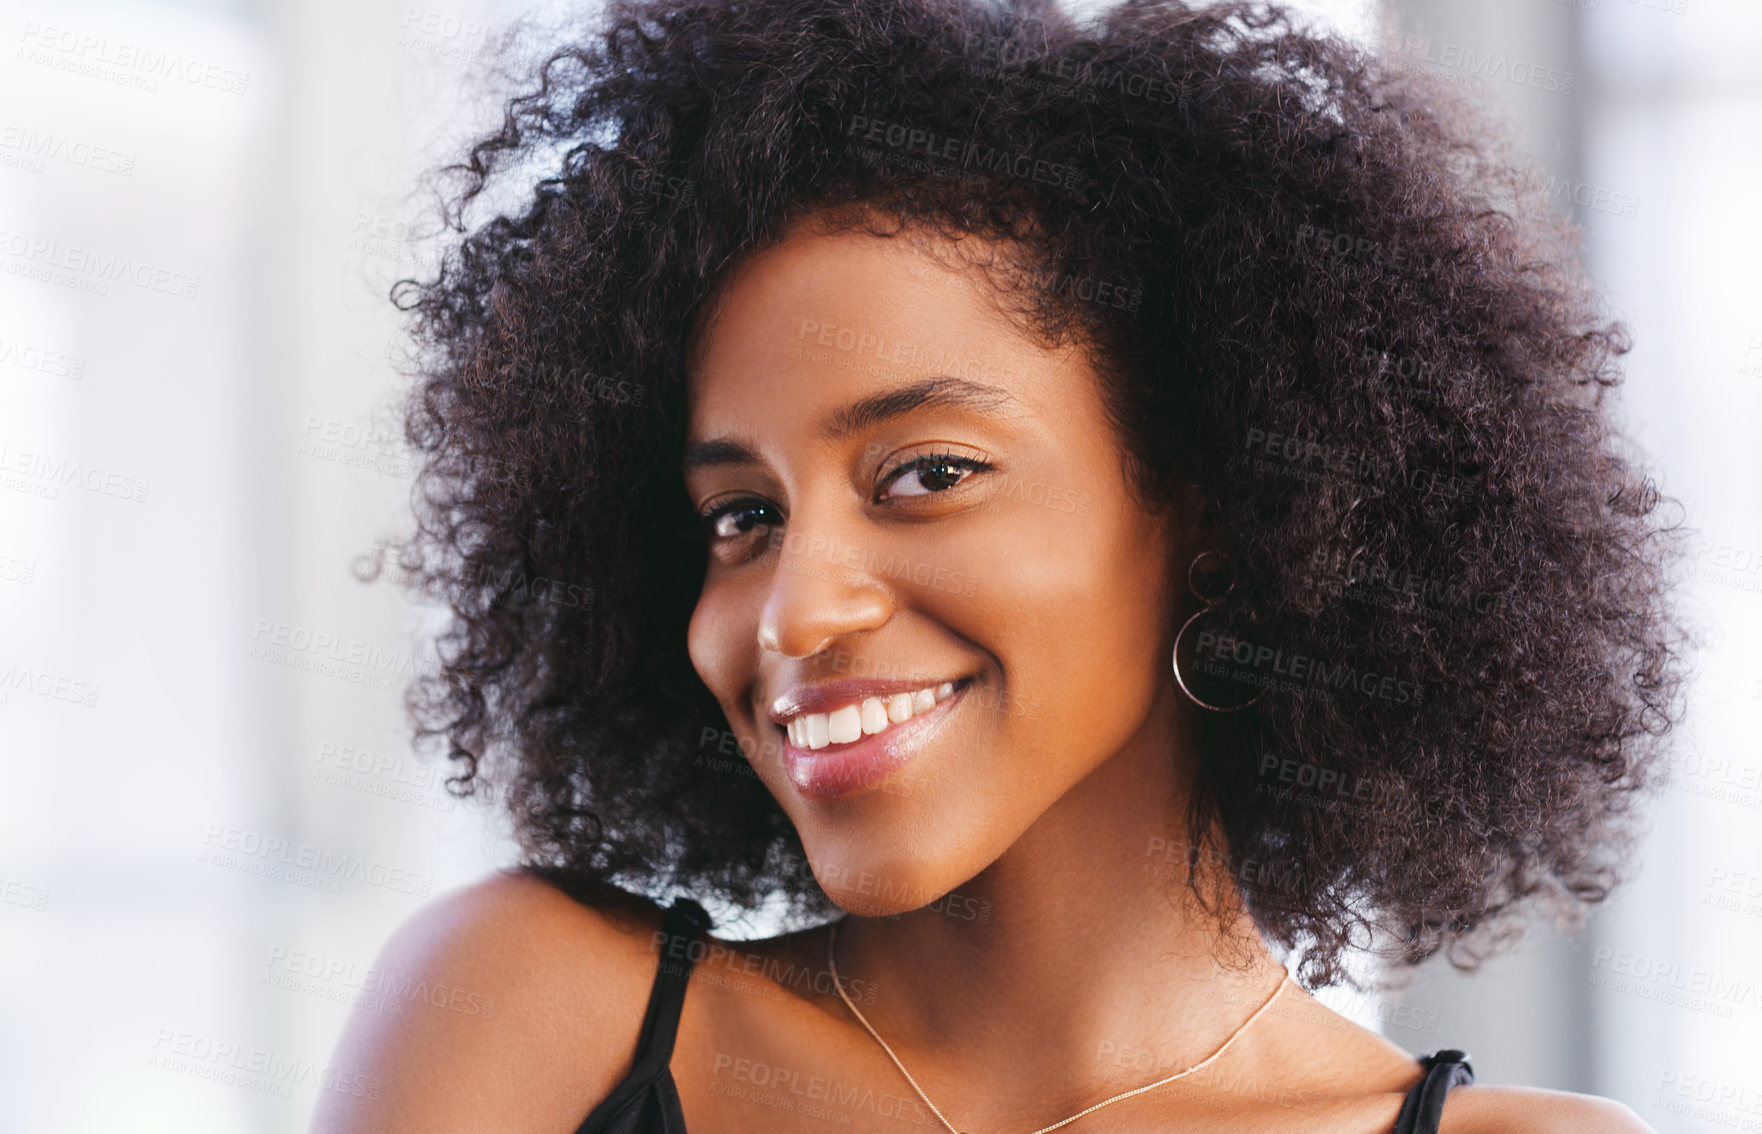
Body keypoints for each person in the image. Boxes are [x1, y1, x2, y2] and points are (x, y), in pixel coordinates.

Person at [312, 0, 1685, 1130]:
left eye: (925, 474)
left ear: (1214, 496)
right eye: (742, 516)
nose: (797, 607)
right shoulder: (548, 1022)